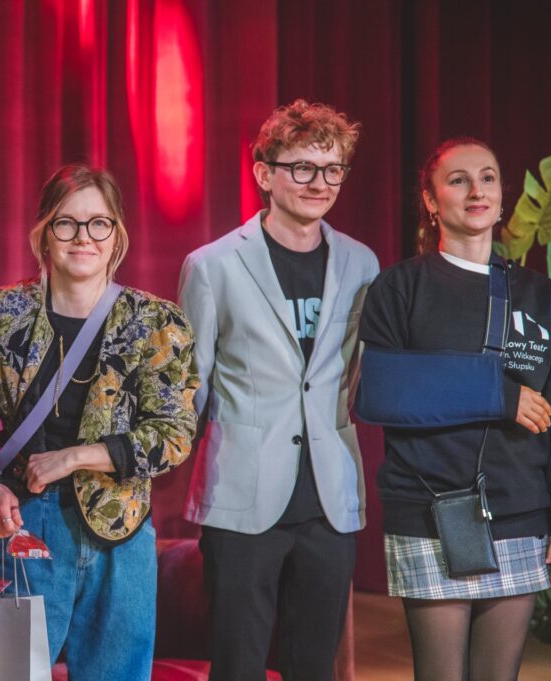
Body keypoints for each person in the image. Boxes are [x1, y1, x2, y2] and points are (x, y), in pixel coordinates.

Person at [0, 163, 199, 681]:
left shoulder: (154, 323)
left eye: (98, 223)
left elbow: (174, 434)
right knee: (7, 676)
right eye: (66, 223)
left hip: (121, 532)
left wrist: (75, 457)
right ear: (43, 234)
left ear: (117, 236)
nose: (83, 237)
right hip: (21, 524)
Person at [178, 99, 379, 681]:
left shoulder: (362, 264)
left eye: (333, 169)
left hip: (329, 496)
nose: (320, 182)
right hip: (242, 492)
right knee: (238, 664)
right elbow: (191, 384)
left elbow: (357, 374)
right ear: (264, 174)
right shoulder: (212, 265)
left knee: (313, 665)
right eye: (303, 167)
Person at [357, 137, 551, 681]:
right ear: (430, 199)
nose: (476, 191)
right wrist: (500, 395)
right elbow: (382, 392)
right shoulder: (400, 287)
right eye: (458, 180)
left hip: (520, 511)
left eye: (487, 178)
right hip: (428, 510)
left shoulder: (540, 295)